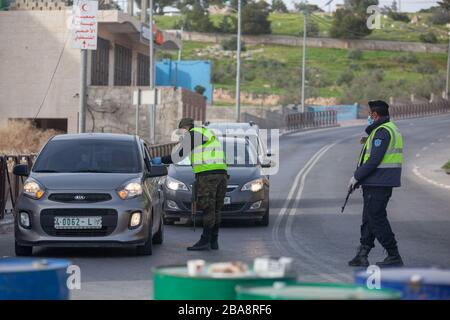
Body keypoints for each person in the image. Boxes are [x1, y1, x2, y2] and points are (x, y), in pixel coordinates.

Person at [154, 118, 228, 251]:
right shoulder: (206, 133)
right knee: (216, 209)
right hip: (221, 174)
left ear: (185, 128)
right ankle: (214, 240)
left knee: (208, 209)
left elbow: (179, 156)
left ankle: (205, 240)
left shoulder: (194, 134)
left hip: (208, 175)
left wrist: (161, 160)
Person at [348, 100, 404, 267]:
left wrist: (356, 177)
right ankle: (362, 254)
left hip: (379, 182)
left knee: (377, 218)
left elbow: (374, 160)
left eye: (369, 114)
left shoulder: (382, 131)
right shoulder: (387, 129)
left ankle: (393, 254)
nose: (368, 117)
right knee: (369, 218)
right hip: (378, 181)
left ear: (375, 115)